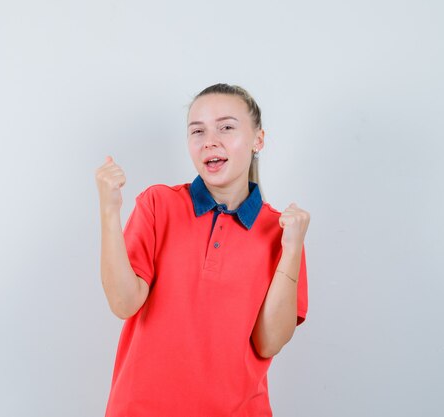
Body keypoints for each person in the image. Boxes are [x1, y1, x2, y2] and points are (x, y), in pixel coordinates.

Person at [95, 83, 310, 417]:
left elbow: (269, 342)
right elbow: (124, 303)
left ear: (258, 140)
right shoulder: (158, 204)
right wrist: (109, 211)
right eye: (198, 130)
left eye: (226, 127)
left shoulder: (280, 232)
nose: (210, 140)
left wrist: (293, 249)